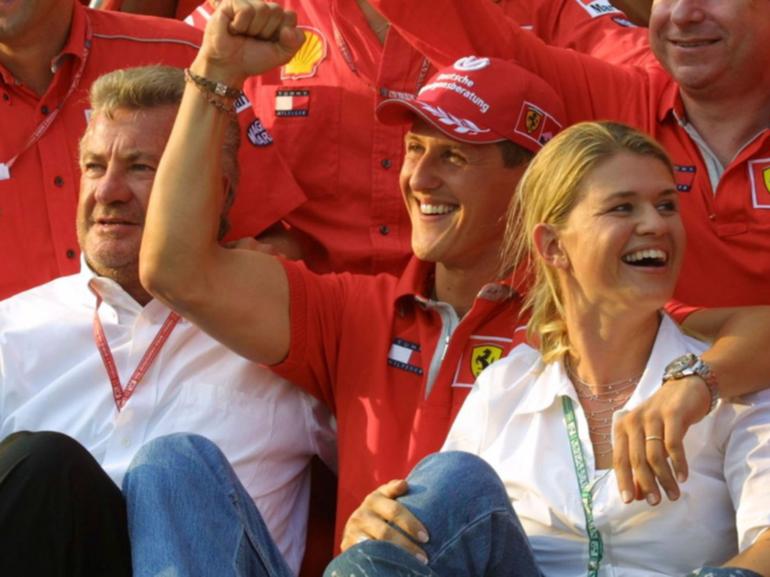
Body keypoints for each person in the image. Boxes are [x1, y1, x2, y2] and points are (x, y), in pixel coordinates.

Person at [137, 0, 770, 558]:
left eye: (454, 156)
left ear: (528, 188)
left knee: (449, 488)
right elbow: (174, 269)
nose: (420, 179)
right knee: (172, 467)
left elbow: (743, 332)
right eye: (415, 150)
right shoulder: (360, 311)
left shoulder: (593, 321)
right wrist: (214, 77)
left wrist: (698, 383)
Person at [328, 122, 770, 577]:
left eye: (666, 205)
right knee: (449, 481)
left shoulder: (729, 382)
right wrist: (379, 530)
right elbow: (441, 524)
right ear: (554, 246)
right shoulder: (504, 387)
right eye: (623, 208)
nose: (655, 224)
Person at [0, 64, 335, 577]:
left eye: (140, 167)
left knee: (171, 469)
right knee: (41, 466)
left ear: (216, 191)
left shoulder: (284, 332)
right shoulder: (13, 330)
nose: (107, 191)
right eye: (93, 166)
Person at [180, 0, 651, 276]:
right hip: (295, 316)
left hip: (499, 323)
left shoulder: (548, 10)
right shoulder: (242, 17)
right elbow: (130, 123)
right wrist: (253, 233)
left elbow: (665, 92)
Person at [368, 0, 770, 309]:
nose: (682, 15)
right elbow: (474, 35)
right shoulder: (624, 99)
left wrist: (709, 369)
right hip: (644, 405)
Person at [0, 0, 304, 300]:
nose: (107, 192)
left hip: (188, 342)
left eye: (140, 167)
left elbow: (270, 240)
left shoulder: (190, 58)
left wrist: (234, 282)